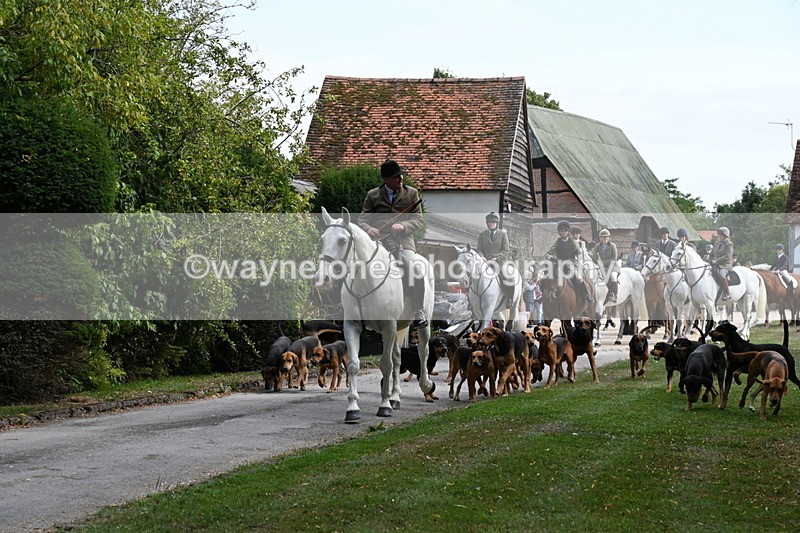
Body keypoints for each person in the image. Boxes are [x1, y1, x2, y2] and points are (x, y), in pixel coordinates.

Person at [358, 159, 427, 328]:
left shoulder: (411, 193)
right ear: (386, 179)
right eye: (396, 177)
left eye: (401, 175)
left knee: (413, 269)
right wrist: (369, 230)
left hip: (403, 241)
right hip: (379, 241)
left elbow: (418, 219)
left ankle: (419, 311)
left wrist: (403, 225)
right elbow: (362, 219)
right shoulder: (372, 195)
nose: (401, 179)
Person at [546, 220, 593, 303]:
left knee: (578, 278)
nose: (563, 233)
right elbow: (548, 254)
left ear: (568, 232)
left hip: (570, 264)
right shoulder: (557, 242)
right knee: (547, 275)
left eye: (565, 231)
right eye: (561, 231)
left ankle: (586, 295)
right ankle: (545, 296)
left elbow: (579, 252)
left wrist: (577, 260)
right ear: (559, 232)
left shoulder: (572, 241)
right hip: (559, 264)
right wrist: (551, 258)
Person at [476, 211, 515, 303]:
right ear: (487, 223)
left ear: (497, 224)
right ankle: (472, 300)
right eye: (490, 222)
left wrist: (496, 258)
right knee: (474, 276)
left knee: (508, 276)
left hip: (499, 263)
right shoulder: (482, 235)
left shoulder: (502, 234)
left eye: (493, 222)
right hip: (485, 263)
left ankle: (509, 298)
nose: (491, 224)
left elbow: (506, 250)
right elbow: (479, 248)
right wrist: (481, 256)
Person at [591, 228, 620, 304]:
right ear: (600, 238)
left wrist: (602, 263)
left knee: (613, 277)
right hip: (603, 267)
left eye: (605, 237)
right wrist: (591, 256)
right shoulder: (598, 246)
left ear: (608, 238)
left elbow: (614, 258)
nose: (604, 239)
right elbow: (592, 253)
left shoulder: (612, 246)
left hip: (613, 266)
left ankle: (614, 295)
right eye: (602, 237)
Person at [710, 226, 734, 301]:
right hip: (716, 263)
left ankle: (727, 293)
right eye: (718, 235)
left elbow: (727, 256)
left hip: (725, 265)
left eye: (720, 235)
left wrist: (716, 261)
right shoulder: (717, 243)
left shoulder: (729, 244)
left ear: (725, 236)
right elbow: (713, 253)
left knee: (721, 274)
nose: (718, 236)